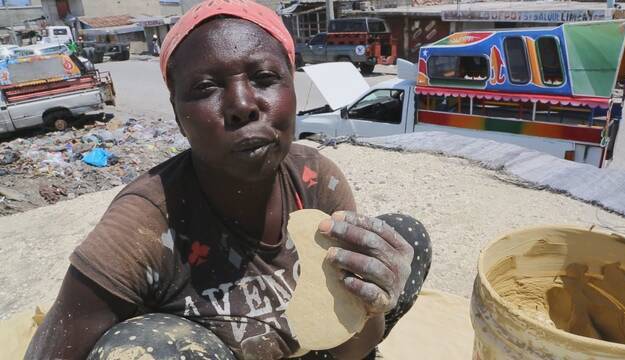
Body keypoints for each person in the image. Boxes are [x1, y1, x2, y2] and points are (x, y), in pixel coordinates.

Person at [25, 1, 431, 359]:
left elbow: (351, 349)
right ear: (177, 112)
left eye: (265, 78)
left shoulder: (315, 181)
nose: (241, 105)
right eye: (205, 87)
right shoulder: (143, 225)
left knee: (401, 240)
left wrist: (373, 303)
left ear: (292, 87)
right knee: (142, 347)